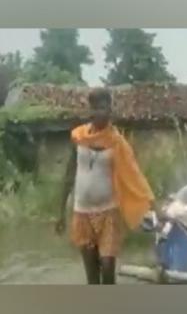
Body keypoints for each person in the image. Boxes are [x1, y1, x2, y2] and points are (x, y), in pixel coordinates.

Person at [55, 87, 155, 285]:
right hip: (81, 213)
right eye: (96, 108)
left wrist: (151, 205)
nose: (100, 112)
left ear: (110, 110)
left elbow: (134, 176)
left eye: (104, 107)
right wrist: (60, 213)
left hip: (108, 212)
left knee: (108, 268)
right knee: (92, 276)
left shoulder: (117, 143)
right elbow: (69, 175)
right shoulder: (78, 138)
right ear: (90, 111)